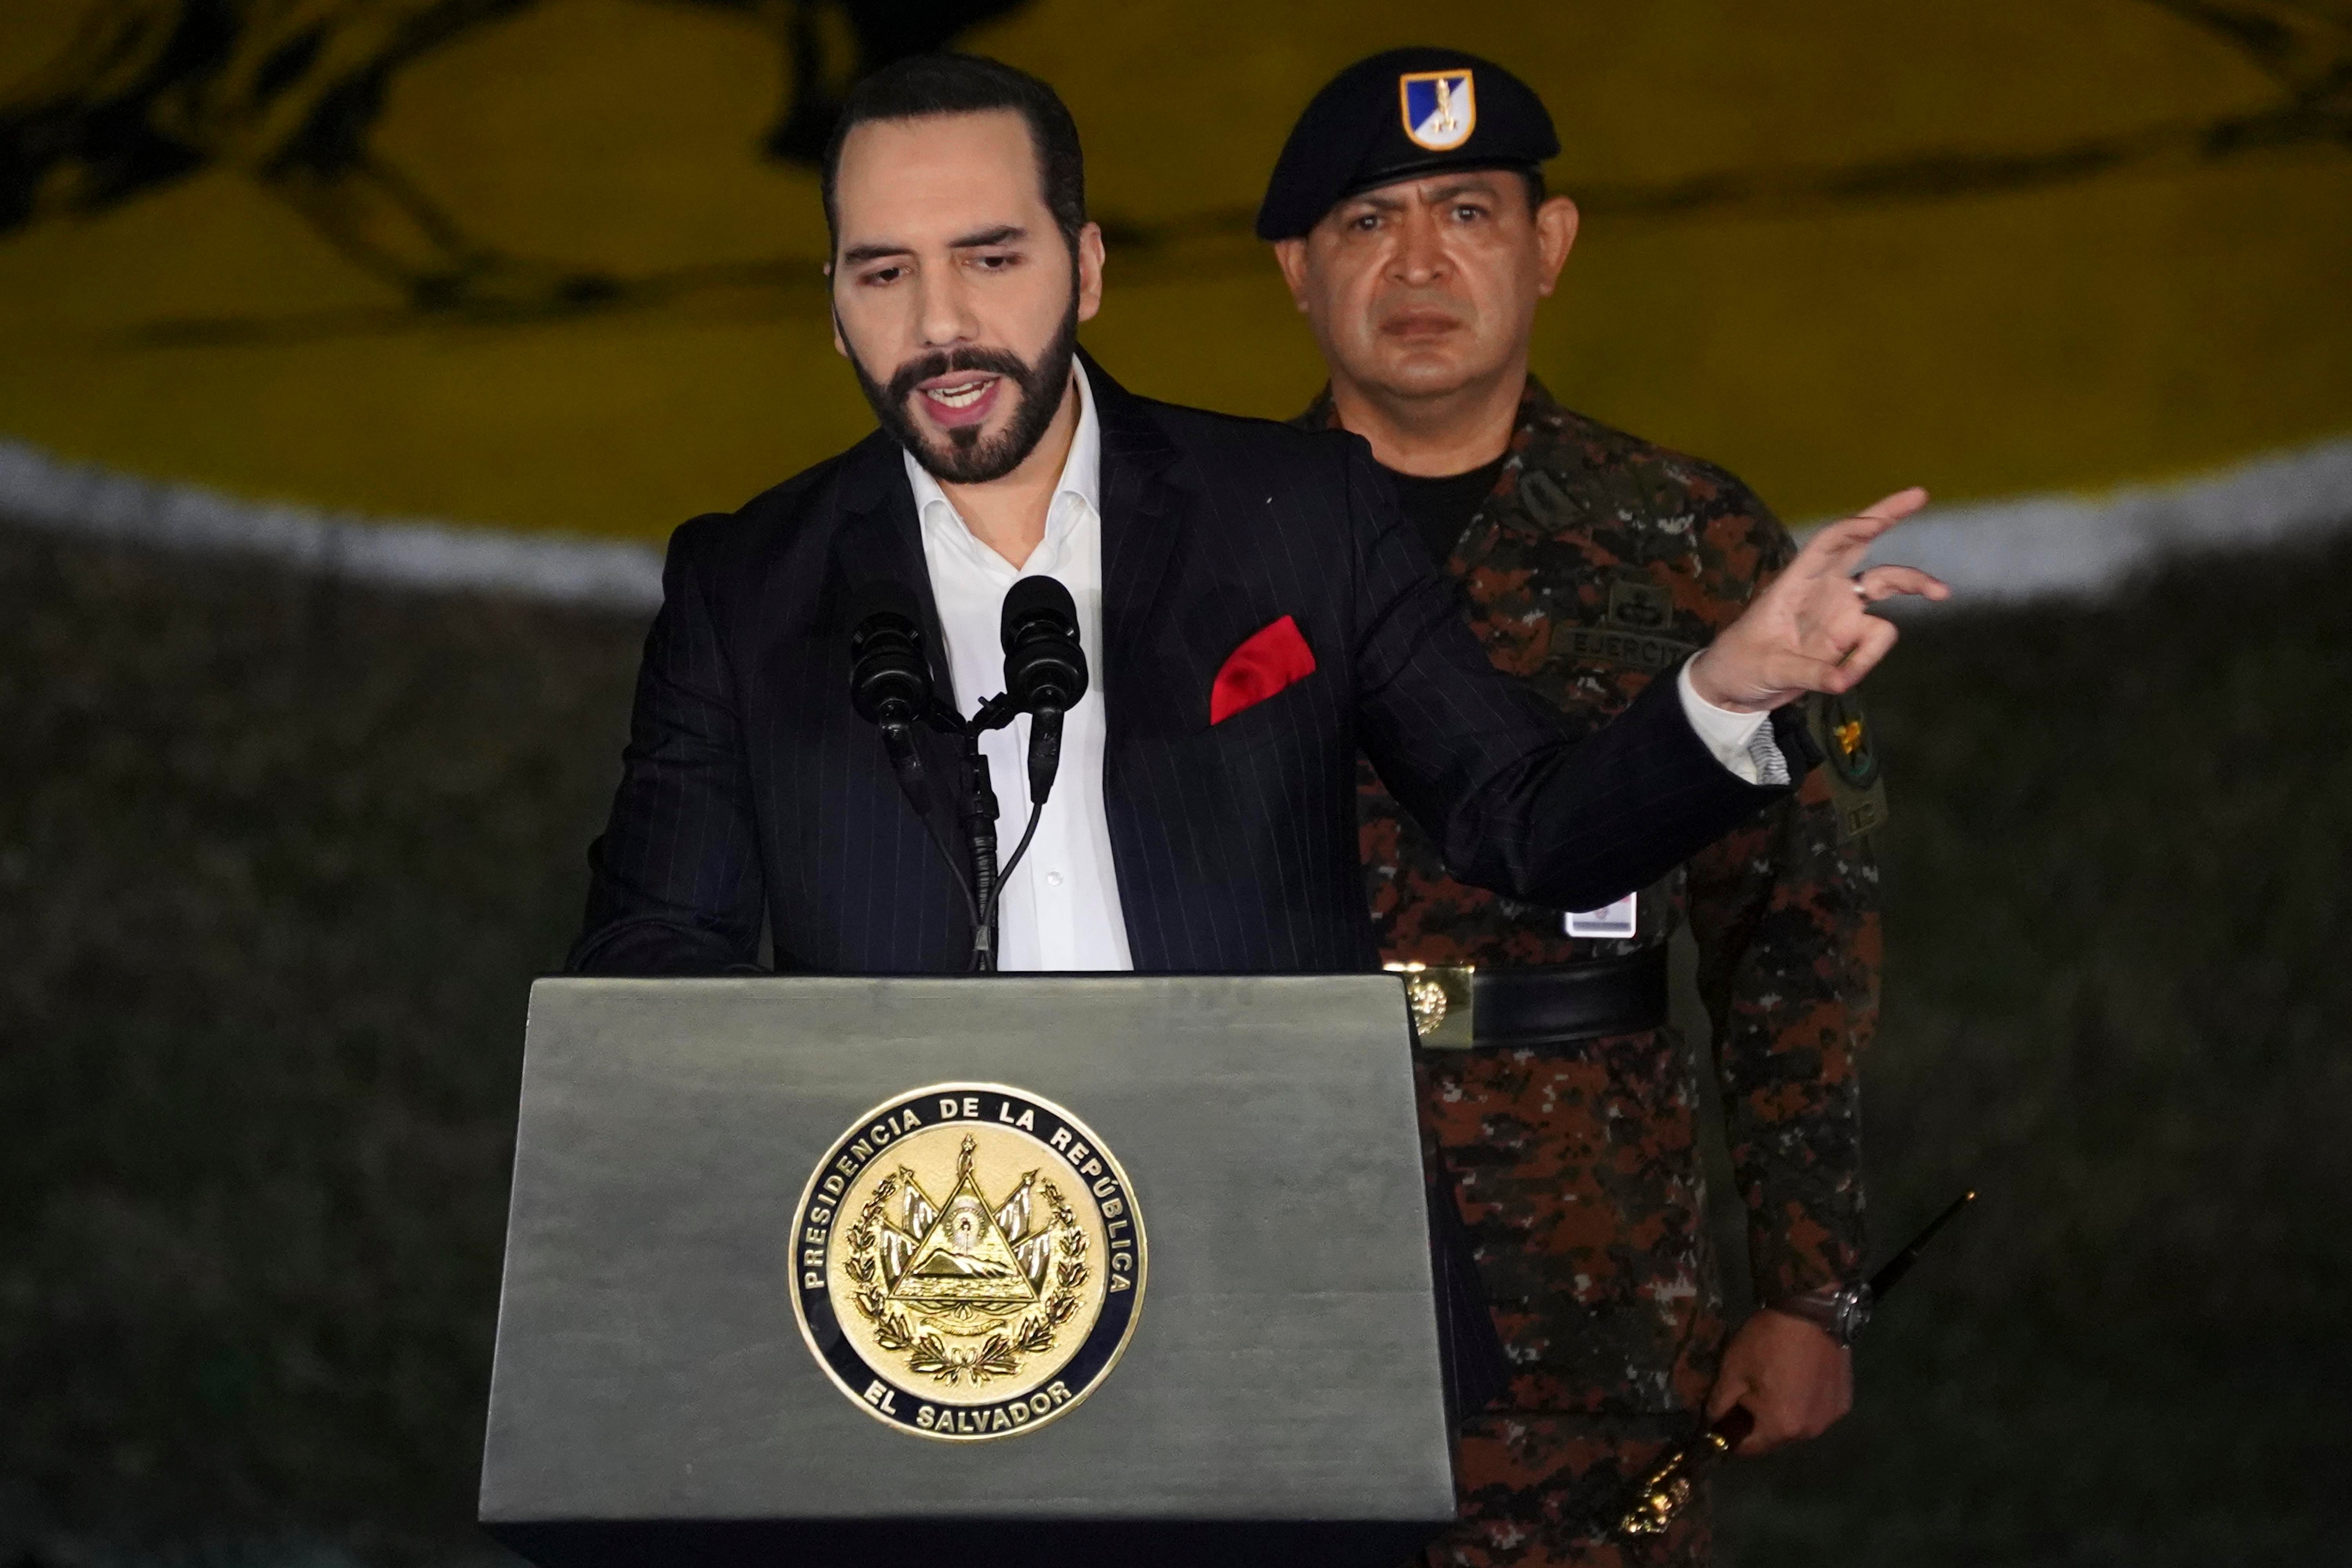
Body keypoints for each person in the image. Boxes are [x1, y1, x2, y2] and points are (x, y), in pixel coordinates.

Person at [569, 51, 1939, 1014]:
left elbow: (1528, 829)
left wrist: (1730, 687)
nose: (940, 326)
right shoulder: (742, 584)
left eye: (991, 258)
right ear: (834, 302)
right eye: (886, 273)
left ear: (1087, 267)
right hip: (927, 1285)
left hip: (1263, 1230)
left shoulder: (1301, 510)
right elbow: (650, 961)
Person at [1260, 48, 1891, 1567]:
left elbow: (1795, 928)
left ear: (1548, 247)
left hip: (1594, 1270)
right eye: (1367, 221)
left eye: (1468, 212)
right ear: (1296, 268)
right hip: (1273, 1235)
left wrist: (1810, 1283)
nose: (1419, 264)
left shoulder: (1689, 541)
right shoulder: (1200, 543)